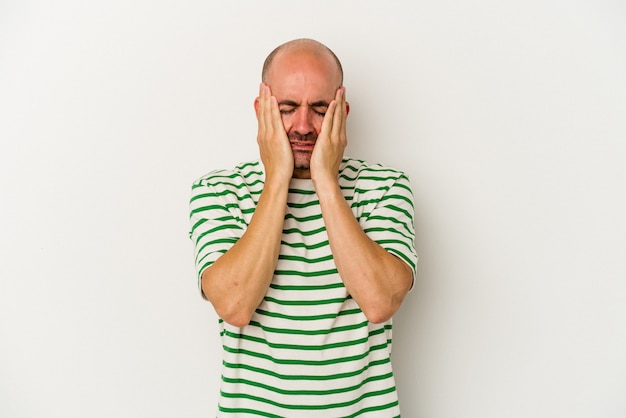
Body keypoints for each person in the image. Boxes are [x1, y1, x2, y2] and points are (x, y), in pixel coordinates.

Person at [189, 38, 418, 417]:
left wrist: (325, 181)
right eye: (287, 108)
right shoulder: (220, 191)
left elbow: (380, 302)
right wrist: (277, 177)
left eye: (320, 110)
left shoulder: (384, 187)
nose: (302, 125)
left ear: (341, 113)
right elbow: (235, 305)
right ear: (261, 110)